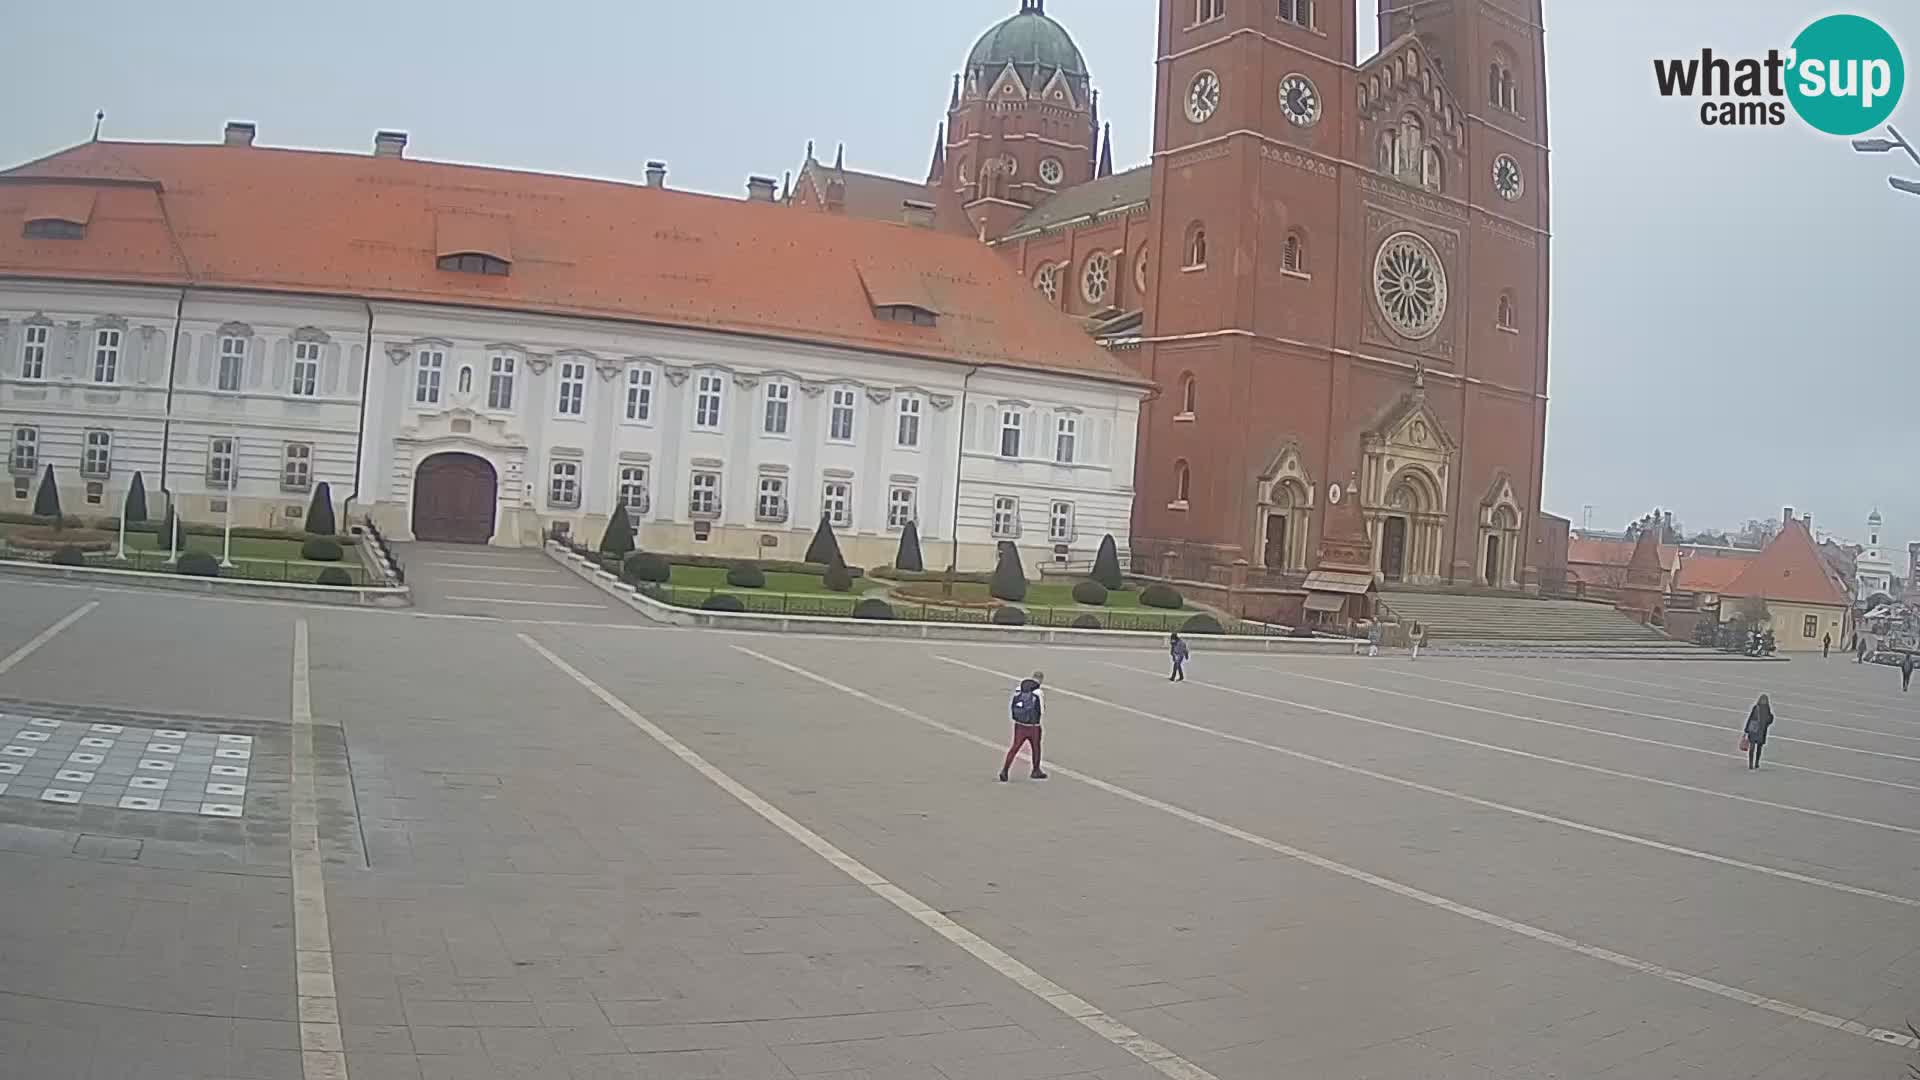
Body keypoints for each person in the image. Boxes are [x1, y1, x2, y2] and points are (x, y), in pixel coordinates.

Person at [1000, 672, 1047, 782]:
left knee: (1015, 747)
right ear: (1040, 680)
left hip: (1019, 724)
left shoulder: (1019, 688)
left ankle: (1005, 770)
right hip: (1033, 726)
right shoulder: (1038, 692)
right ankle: (1035, 770)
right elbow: (1041, 710)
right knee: (1036, 747)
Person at [1743, 694, 1774, 769]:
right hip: (1761, 731)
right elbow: (1769, 721)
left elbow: (1750, 718)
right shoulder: (1766, 708)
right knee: (1757, 748)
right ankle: (1755, 763)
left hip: (1754, 730)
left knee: (1753, 748)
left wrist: (1746, 730)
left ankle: (1753, 764)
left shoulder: (1757, 707)